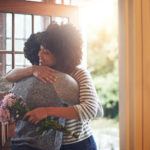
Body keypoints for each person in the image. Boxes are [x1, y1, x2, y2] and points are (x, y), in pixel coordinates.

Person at [6, 23, 103, 150]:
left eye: (46, 52)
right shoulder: (41, 71)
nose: (40, 55)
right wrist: (32, 69)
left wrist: (46, 111)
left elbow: (91, 109)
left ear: (61, 56)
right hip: (54, 145)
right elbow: (7, 77)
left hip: (78, 143)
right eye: (40, 49)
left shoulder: (79, 73)